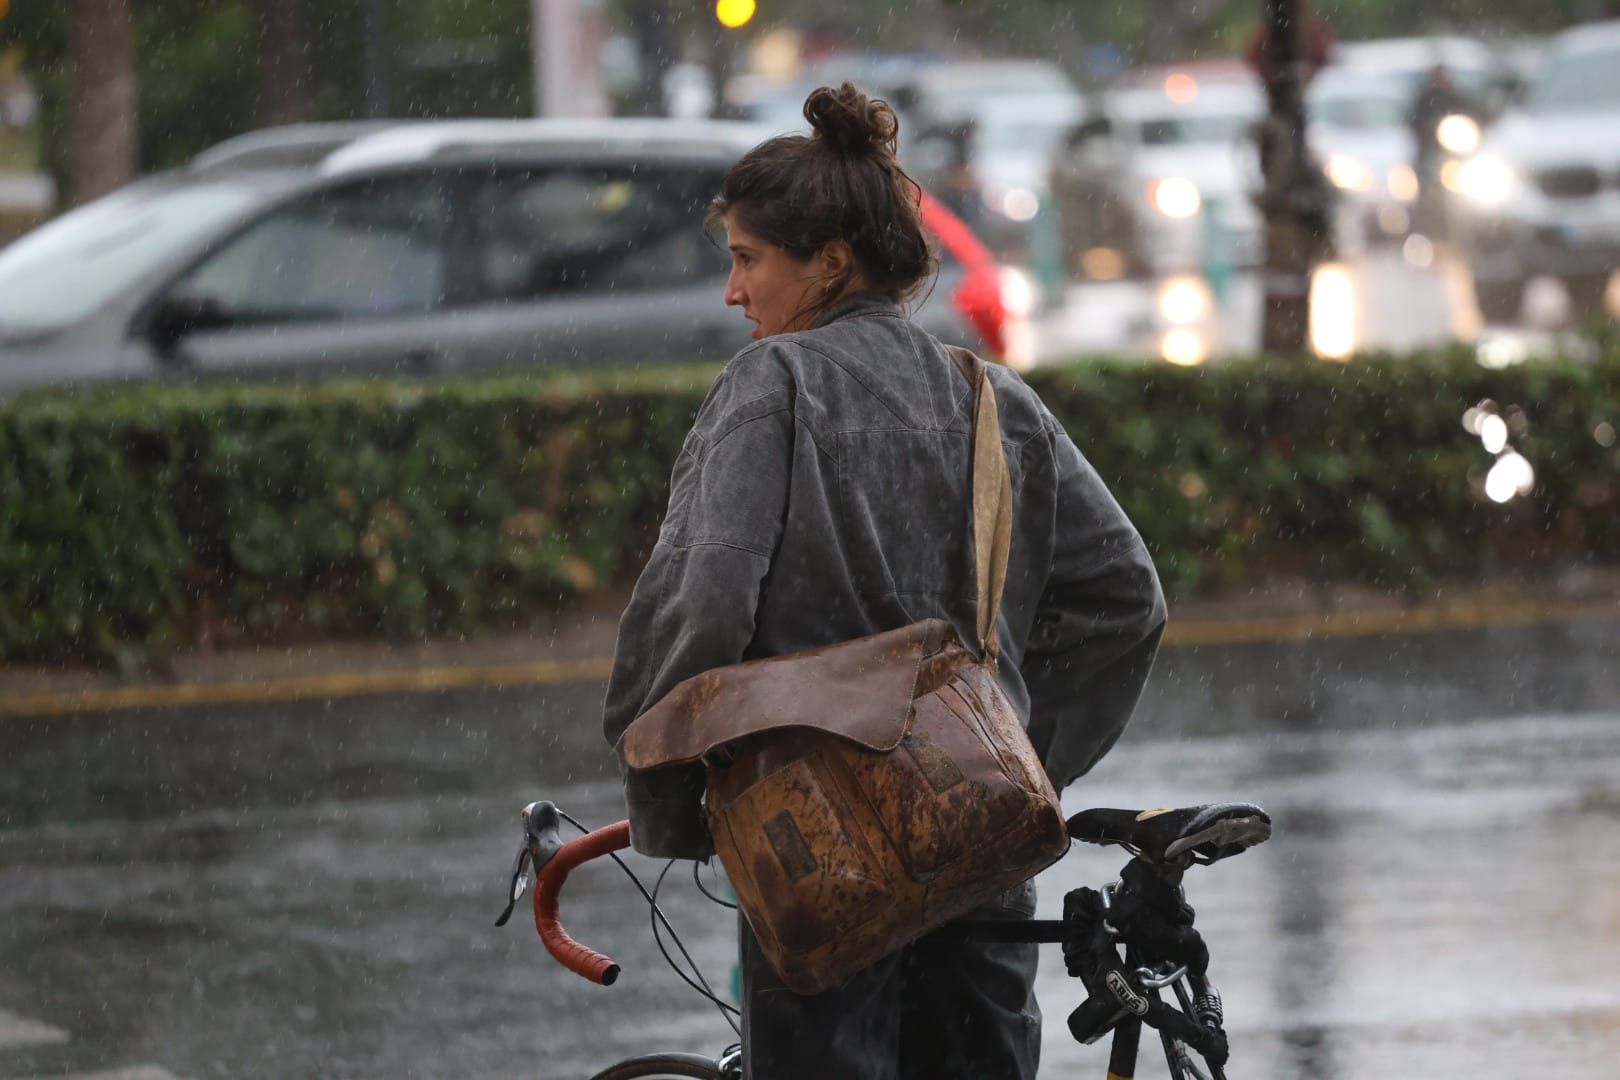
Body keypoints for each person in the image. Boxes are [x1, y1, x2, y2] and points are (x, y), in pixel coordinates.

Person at [602, 82, 1167, 1080]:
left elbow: (705, 603)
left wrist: (663, 786)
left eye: (746, 261)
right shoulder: (991, 397)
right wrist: (1019, 756)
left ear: (830, 263)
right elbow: (1126, 600)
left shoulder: (771, 386)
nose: (734, 294)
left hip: (812, 839)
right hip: (973, 835)